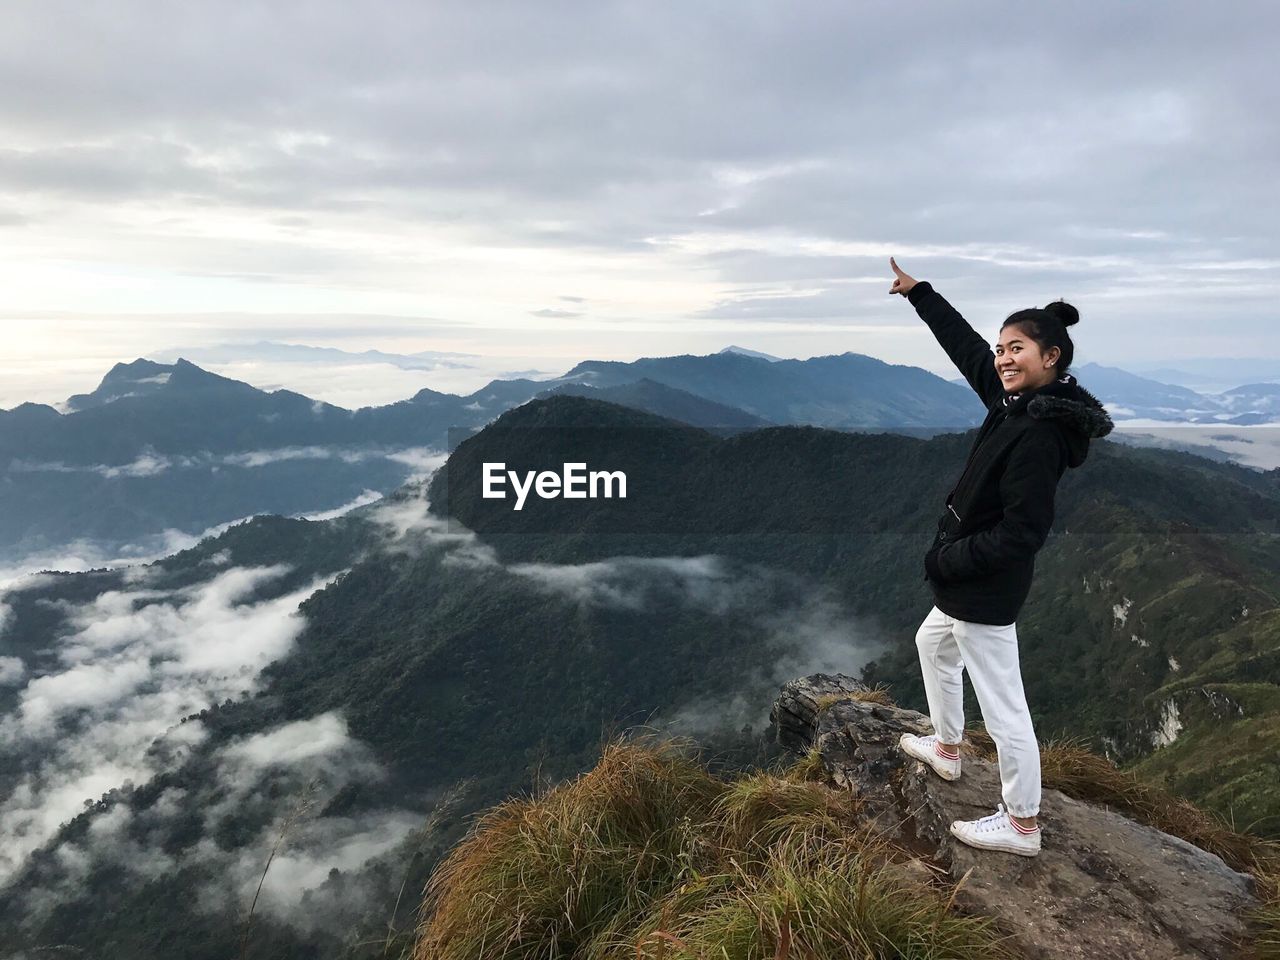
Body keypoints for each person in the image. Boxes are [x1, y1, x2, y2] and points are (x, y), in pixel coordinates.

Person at [888, 256, 1113, 857]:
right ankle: (946, 747)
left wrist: (948, 562)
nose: (1004, 358)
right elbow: (966, 351)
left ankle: (1021, 823)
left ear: (1052, 358)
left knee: (1005, 706)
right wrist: (920, 294)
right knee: (930, 645)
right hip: (965, 577)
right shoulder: (1019, 405)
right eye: (1002, 348)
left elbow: (1023, 533)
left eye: (1017, 348)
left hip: (980, 585)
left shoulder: (1039, 435)